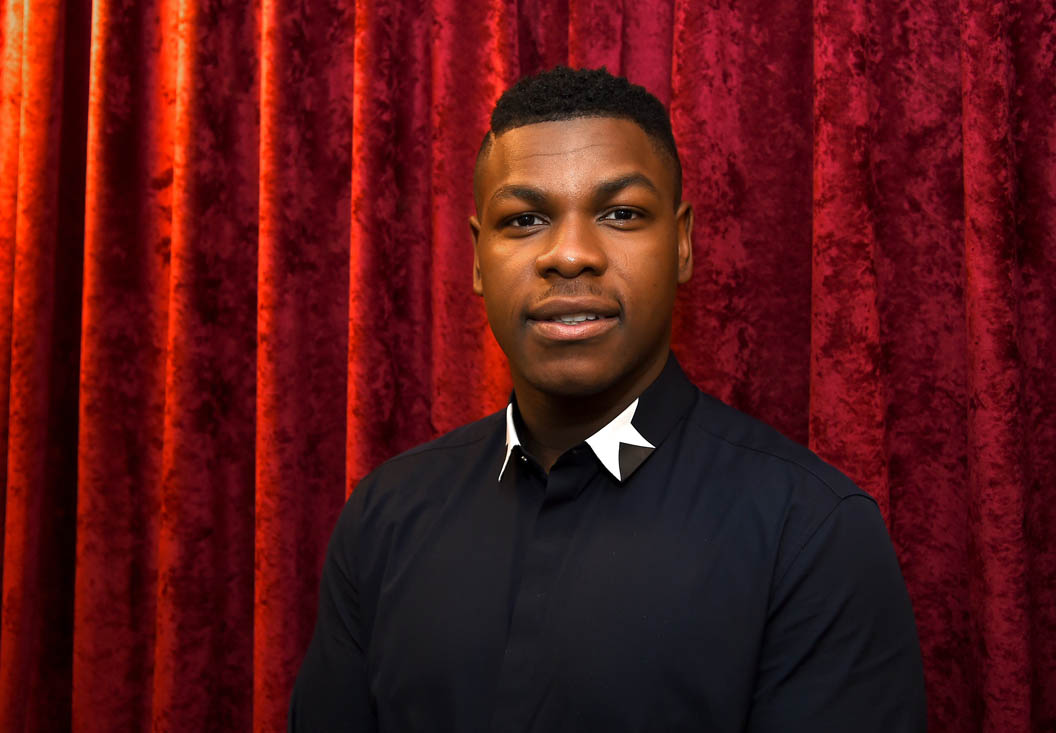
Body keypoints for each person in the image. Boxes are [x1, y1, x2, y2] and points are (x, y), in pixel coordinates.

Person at [289, 66, 926, 732]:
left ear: (681, 242)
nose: (570, 255)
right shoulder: (383, 517)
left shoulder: (813, 534)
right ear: (478, 258)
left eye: (621, 213)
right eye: (525, 218)